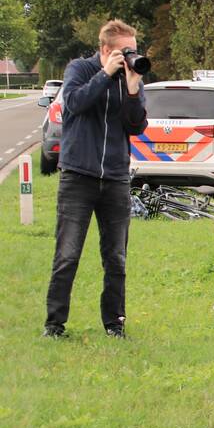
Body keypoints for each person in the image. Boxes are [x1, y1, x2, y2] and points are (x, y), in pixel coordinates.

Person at [43, 19, 148, 339]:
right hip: (78, 176)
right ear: (105, 49)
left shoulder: (131, 79)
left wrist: (131, 89)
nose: (130, 56)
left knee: (116, 257)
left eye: (133, 50)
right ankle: (54, 323)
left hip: (115, 177)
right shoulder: (80, 69)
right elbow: (74, 104)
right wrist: (105, 74)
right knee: (68, 254)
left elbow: (136, 126)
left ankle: (114, 323)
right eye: (123, 51)